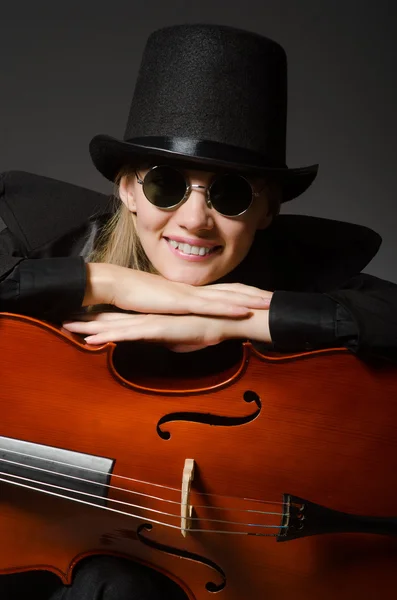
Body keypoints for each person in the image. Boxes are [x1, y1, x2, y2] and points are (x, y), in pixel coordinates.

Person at [0, 23, 396, 600]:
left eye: (230, 194)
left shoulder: (296, 274)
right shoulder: (54, 245)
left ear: (266, 209)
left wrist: (235, 319)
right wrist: (106, 278)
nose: (194, 220)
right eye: (166, 186)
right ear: (127, 190)